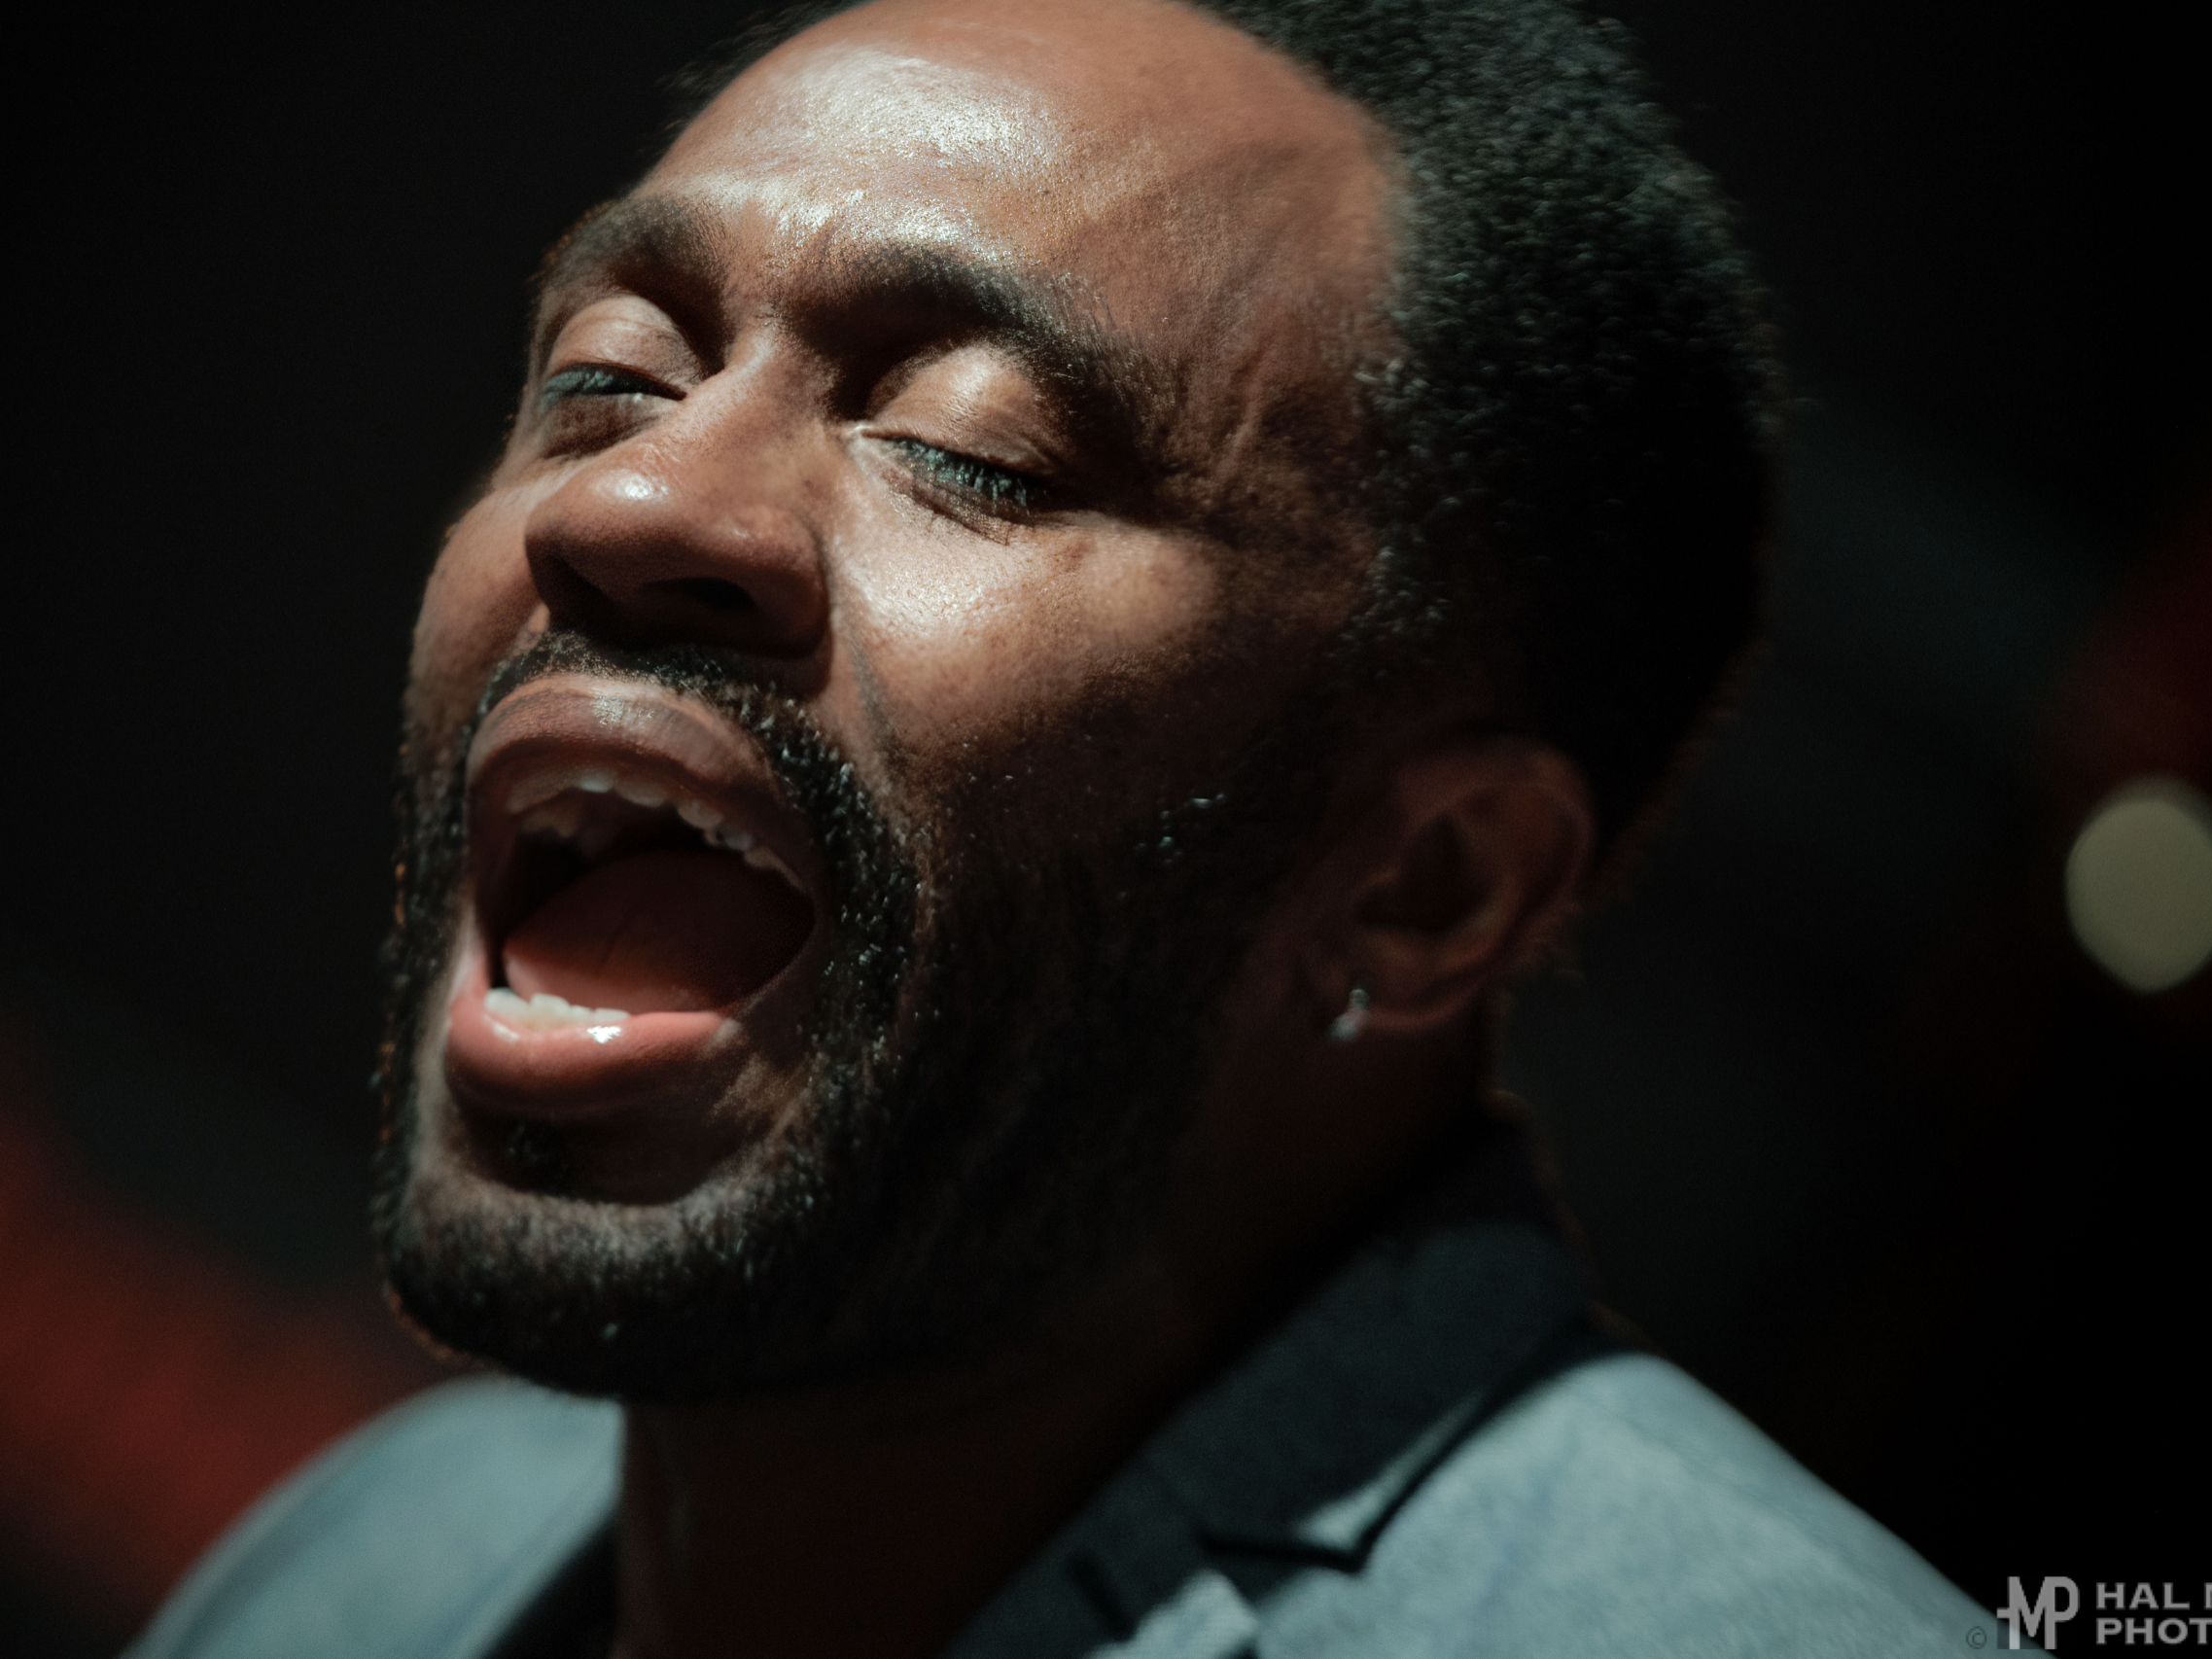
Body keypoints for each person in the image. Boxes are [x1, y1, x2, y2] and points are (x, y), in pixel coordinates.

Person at [135, 0, 1995, 1653]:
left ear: (1427, 887)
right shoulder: (369, 1551)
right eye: (609, 378)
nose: (632, 501)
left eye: (974, 449)